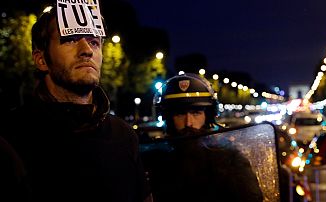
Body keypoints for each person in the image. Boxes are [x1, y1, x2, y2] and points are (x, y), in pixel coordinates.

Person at [0, 3, 152, 202]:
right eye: (70, 40)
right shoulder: (9, 137)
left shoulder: (125, 136)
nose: (86, 50)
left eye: (94, 42)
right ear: (41, 59)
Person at [140, 73, 263, 202]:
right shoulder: (154, 160)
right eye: (180, 114)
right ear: (169, 118)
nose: (188, 123)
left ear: (208, 116)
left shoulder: (229, 159)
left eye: (196, 113)